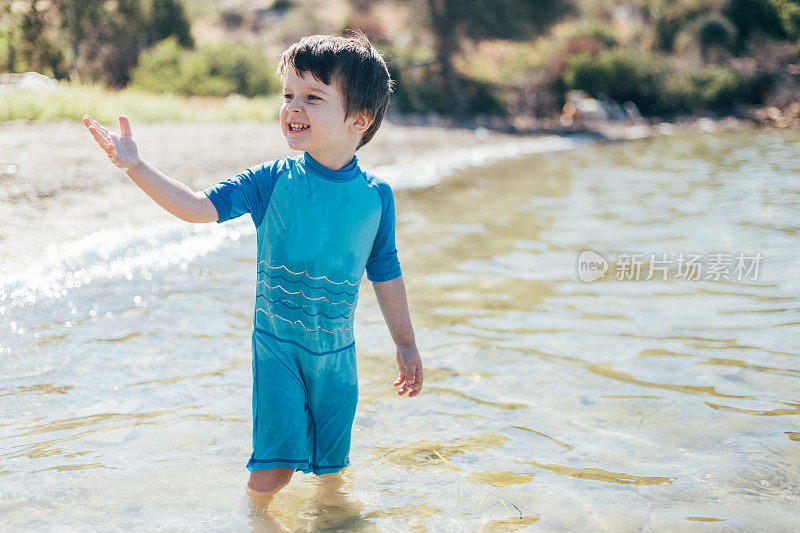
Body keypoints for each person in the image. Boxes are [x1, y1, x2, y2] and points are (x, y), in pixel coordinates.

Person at [82, 31, 423, 507]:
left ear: (359, 119)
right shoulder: (271, 180)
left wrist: (405, 345)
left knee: (333, 471)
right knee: (275, 469)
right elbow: (197, 208)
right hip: (278, 350)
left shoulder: (375, 196)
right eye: (288, 94)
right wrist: (135, 166)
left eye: (312, 97)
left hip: (338, 357)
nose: (292, 107)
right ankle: (255, 518)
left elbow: (386, 274)